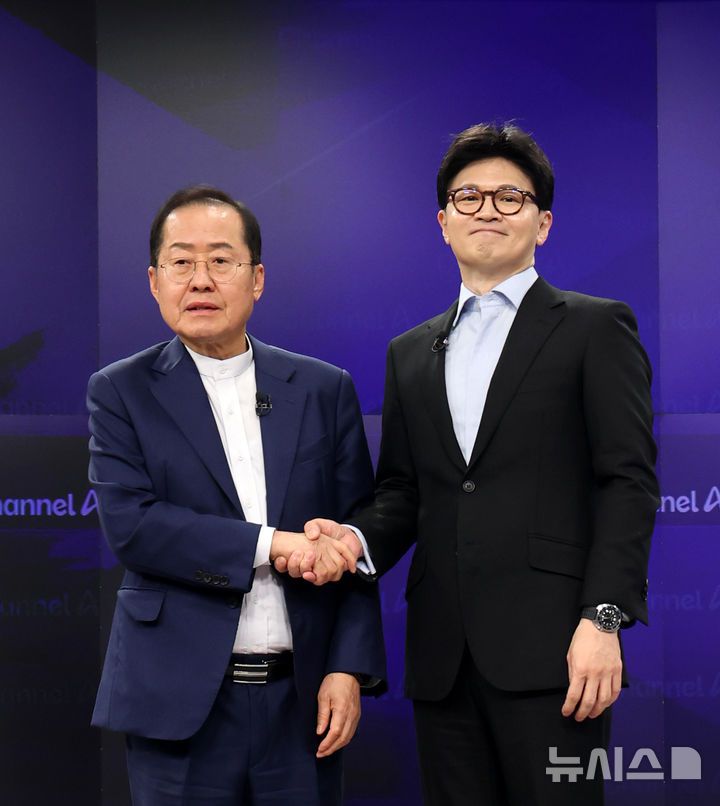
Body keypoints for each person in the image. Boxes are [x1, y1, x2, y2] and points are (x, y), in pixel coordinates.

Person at [282, 123, 659, 805]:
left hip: (558, 654)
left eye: (510, 198)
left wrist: (603, 620)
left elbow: (626, 482)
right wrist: (354, 540)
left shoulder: (594, 327)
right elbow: (404, 491)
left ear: (543, 223)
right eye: (468, 197)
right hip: (443, 658)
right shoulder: (409, 351)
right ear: (443, 222)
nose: (487, 209)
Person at [88, 185, 386, 805]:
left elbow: (356, 534)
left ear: (257, 279)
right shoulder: (120, 391)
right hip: (178, 706)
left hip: (302, 704)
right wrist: (274, 545)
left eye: (221, 260)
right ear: (154, 281)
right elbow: (134, 526)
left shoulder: (322, 388)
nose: (200, 279)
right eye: (181, 262)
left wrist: (347, 666)